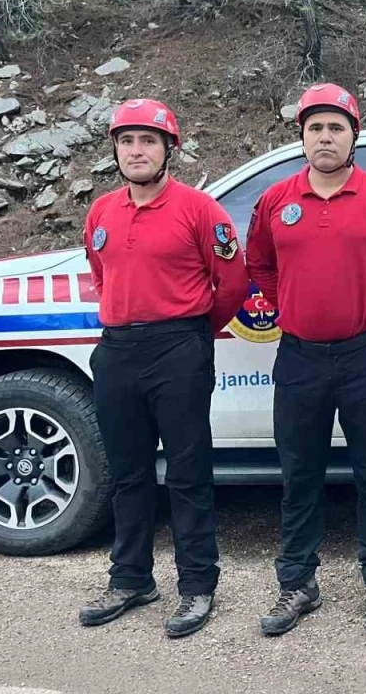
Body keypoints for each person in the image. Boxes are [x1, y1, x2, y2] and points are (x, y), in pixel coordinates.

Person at [246, 83, 366, 637]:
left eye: (336, 128)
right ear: (302, 137)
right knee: (299, 474)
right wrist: (288, 305)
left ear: (354, 136)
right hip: (299, 356)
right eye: (315, 128)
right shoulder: (276, 200)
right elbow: (259, 264)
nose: (325, 137)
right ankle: (298, 582)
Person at [78, 98, 248, 638]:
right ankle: (131, 579)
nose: (136, 151)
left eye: (148, 141)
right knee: (127, 473)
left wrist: (194, 333)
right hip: (118, 351)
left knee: (186, 473)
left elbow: (233, 284)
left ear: (168, 149)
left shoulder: (199, 209)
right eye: (126, 141)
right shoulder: (102, 211)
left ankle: (197, 585)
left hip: (179, 349)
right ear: (115, 151)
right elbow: (101, 274)